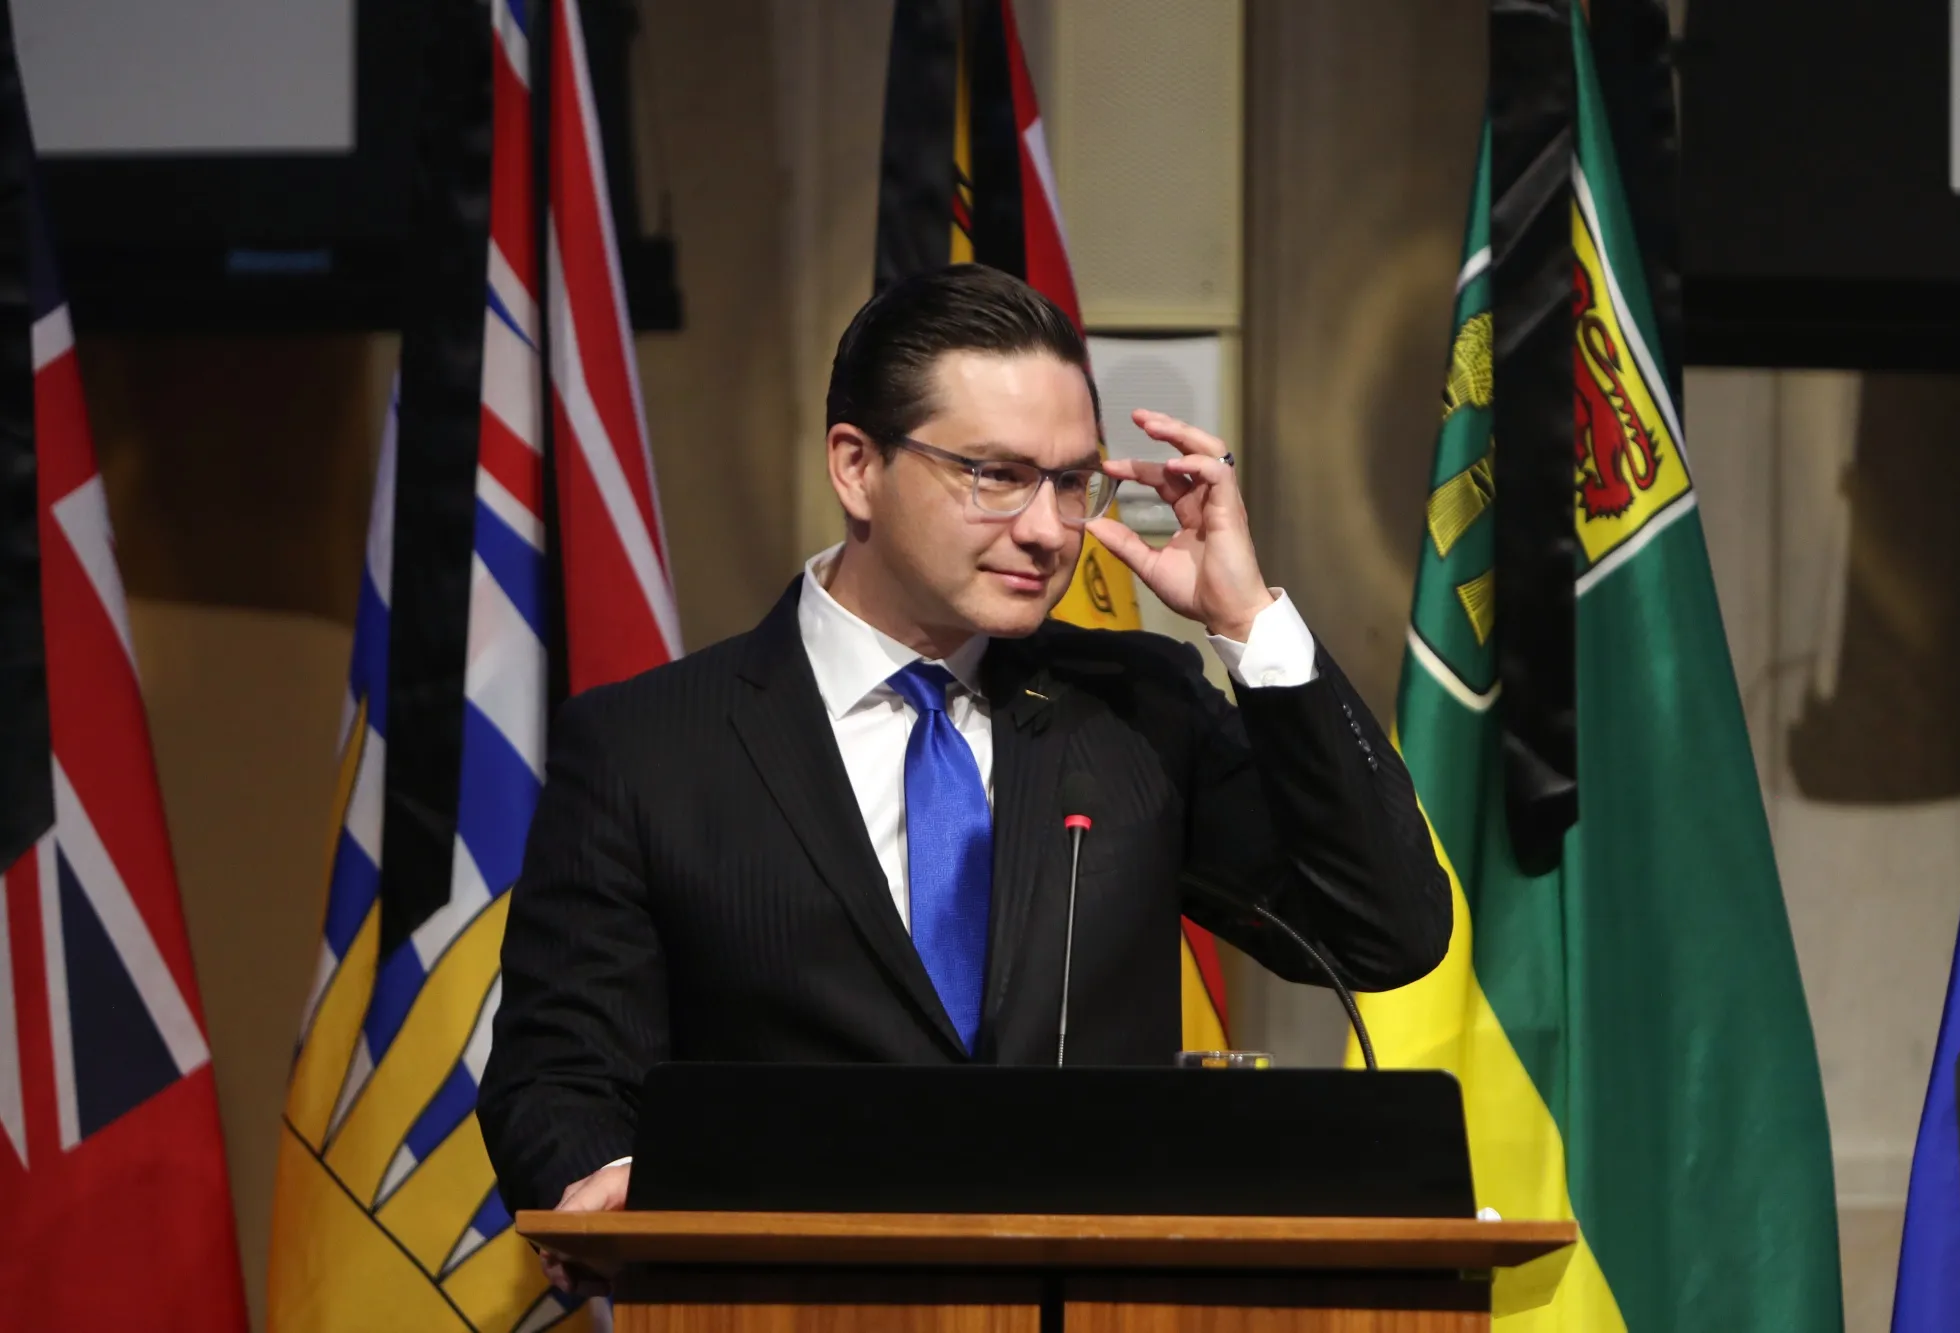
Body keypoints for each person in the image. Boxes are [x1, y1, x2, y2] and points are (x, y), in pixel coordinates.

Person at [478, 264, 1450, 1282]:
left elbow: (1382, 932)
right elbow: (560, 1073)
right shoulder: (648, 746)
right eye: (994, 475)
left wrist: (1250, 627)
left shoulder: (1135, 713)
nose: (1044, 529)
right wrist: (617, 1182)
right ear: (855, 467)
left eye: (1071, 482)